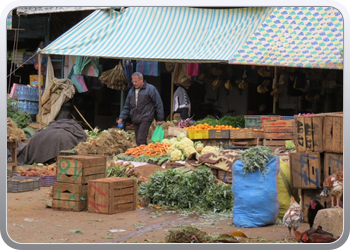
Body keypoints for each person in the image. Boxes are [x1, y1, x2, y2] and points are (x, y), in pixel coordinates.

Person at [117, 72, 164, 146]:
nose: (134, 83)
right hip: (135, 117)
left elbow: (158, 104)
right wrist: (121, 118)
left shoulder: (151, 89)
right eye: (133, 81)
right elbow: (127, 106)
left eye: (136, 81)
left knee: (140, 139)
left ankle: (141, 155)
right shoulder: (131, 91)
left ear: (141, 79)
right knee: (138, 140)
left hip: (146, 117)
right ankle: (144, 154)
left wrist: (160, 118)